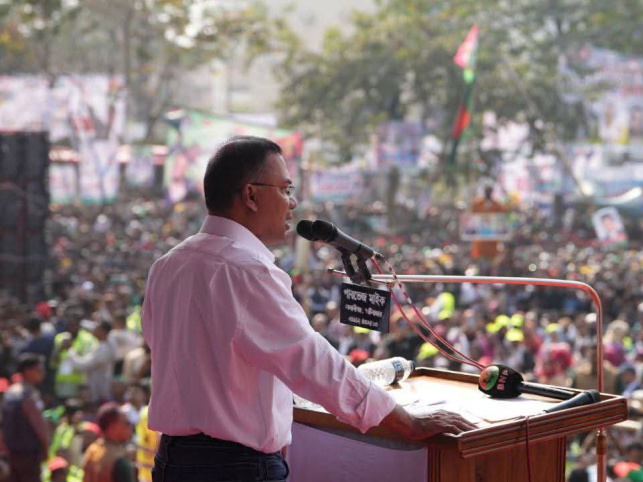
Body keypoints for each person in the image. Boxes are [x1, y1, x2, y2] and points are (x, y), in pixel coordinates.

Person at [142, 137, 474, 482]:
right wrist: (408, 421)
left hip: (172, 462)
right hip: (233, 468)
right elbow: (313, 363)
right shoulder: (248, 272)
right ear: (251, 196)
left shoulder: (167, 265)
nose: (294, 203)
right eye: (286, 190)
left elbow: (167, 348)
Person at [1, 354, 49, 482]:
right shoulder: (29, 395)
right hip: (29, 455)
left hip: (11, 454)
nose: (42, 373)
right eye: (39, 370)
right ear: (28, 371)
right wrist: (46, 447)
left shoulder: (9, 394)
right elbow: (39, 426)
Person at [82, 403, 134, 482]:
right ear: (113, 427)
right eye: (127, 423)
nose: (130, 427)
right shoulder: (119, 462)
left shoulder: (91, 450)